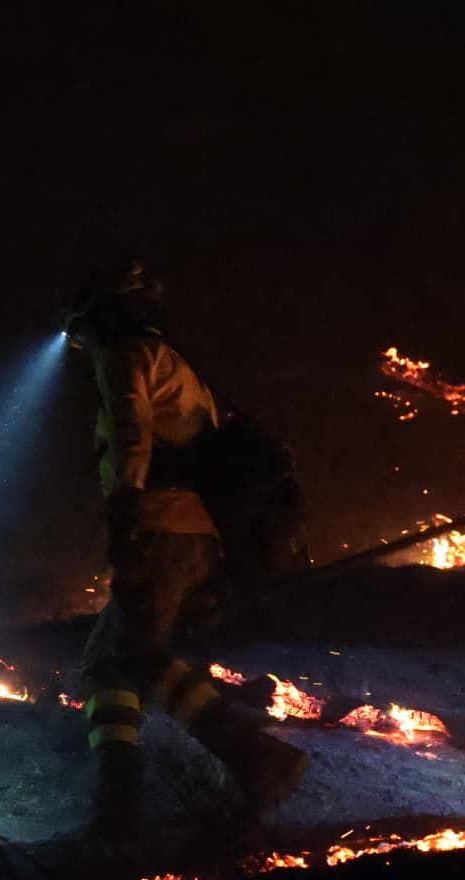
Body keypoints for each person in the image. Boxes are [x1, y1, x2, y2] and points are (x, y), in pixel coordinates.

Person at [66, 260, 307, 838]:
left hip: (163, 530)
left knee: (138, 654)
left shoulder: (125, 355)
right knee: (107, 661)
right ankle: (118, 804)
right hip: (193, 535)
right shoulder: (174, 362)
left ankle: (256, 757)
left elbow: (130, 431)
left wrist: (125, 522)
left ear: (100, 313)